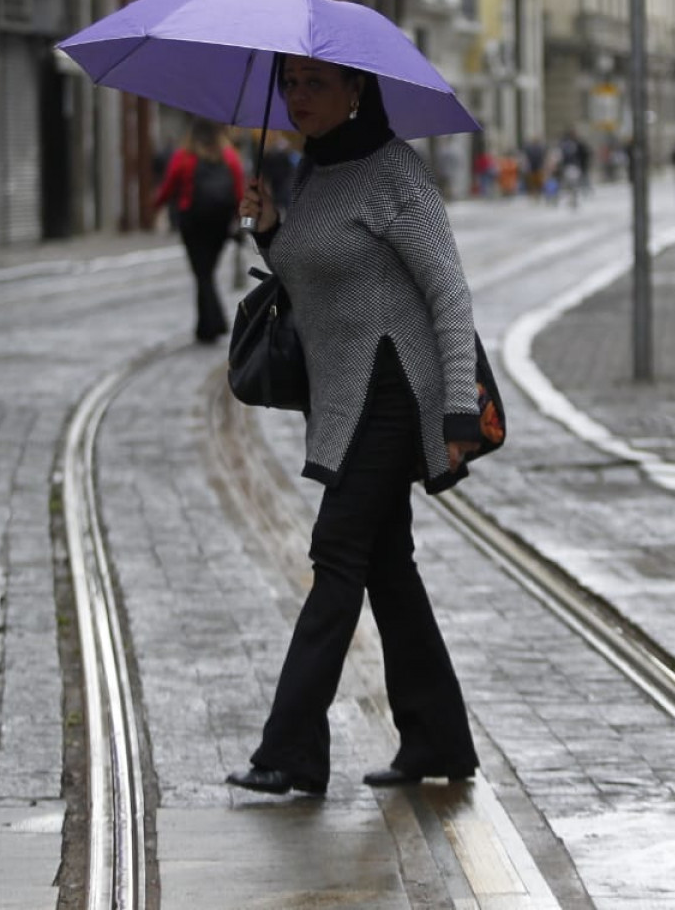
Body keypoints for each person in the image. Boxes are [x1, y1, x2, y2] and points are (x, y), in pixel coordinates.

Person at [227, 55, 482, 797]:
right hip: (347, 396)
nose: (298, 97)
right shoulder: (315, 171)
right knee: (385, 565)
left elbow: (449, 290)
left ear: (355, 89)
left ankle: (291, 749)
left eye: (315, 83)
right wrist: (271, 234)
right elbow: (319, 280)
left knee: (337, 553)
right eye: (290, 84)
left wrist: (458, 404)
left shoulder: (394, 170)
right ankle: (436, 737)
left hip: (395, 390)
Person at [151, 118, 245, 343]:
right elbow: (239, 188)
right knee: (207, 271)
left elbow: (169, 186)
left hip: (192, 222)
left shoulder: (183, 157)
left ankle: (210, 325)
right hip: (220, 223)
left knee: (202, 273)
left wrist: (155, 207)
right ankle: (209, 324)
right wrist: (241, 219)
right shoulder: (230, 156)